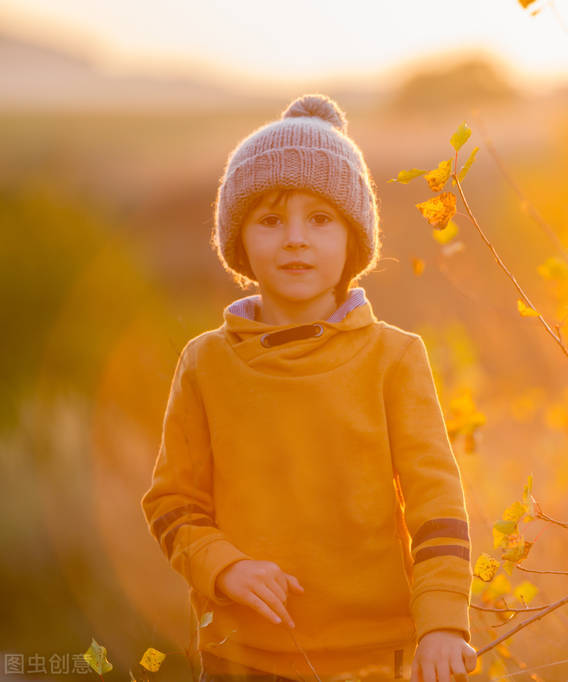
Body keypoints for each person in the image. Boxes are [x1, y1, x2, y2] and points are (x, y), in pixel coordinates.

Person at [141, 94, 477, 682]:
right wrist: (224, 568)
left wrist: (443, 623)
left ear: (354, 240)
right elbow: (173, 504)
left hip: (373, 655)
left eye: (320, 219)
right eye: (271, 220)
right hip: (239, 654)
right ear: (239, 241)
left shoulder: (395, 358)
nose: (296, 239)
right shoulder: (205, 362)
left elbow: (436, 505)